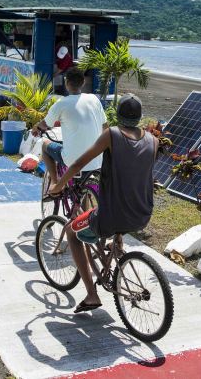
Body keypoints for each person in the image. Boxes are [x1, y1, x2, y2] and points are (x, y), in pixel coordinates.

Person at [48, 94, 158, 313]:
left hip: (111, 215)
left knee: (71, 232)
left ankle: (91, 294)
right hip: (142, 213)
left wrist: (58, 185)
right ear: (140, 117)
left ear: (116, 115)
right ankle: (117, 242)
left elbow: (79, 162)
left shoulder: (112, 134)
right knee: (111, 216)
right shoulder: (153, 141)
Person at [31, 69, 107, 190]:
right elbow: (105, 127)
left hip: (73, 160)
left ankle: (55, 184)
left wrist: (36, 127)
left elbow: (45, 124)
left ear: (66, 83)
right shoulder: (94, 99)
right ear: (83, 83)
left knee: (44, 145)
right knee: (84, 191)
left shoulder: (61, 103)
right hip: (96, 159)